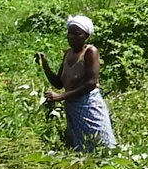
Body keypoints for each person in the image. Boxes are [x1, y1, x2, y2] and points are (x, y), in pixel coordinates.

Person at [37, 15, 115, 151]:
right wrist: (44, 64)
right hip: (72, 107)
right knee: (80, 147)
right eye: (70, 33)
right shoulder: (68, 54)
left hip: (89, 105)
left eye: (77, 33)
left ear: (86, 35)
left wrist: (60, 97)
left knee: (102, 144)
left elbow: (91, 84)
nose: (72, 36)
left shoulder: (90, 52)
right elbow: (58, 83)